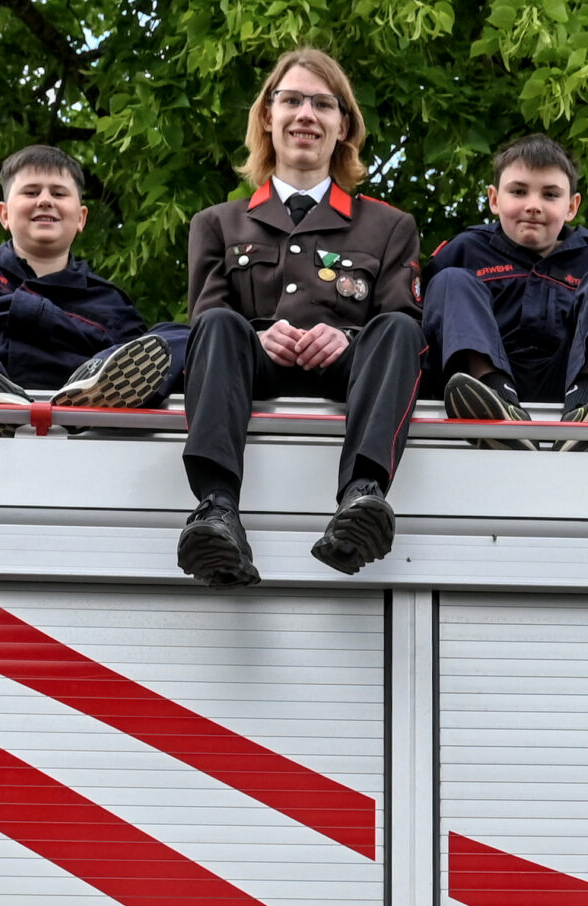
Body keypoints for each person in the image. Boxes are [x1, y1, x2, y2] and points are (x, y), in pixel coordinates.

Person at [173, 48, 424, 587]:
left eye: (322, 103)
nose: (305, 115)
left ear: (343, 125)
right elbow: (210, 314)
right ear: (268, 116)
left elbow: (398, 317)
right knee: (215, 327)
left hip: (348, 368)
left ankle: (363, 497)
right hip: (251, 368)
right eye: (291, 100)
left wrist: (347, 335)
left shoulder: (388, 226)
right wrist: (260, 337)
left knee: (401, 330)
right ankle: (216, 509)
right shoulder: (216, 223)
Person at [0, 144, 180, 421]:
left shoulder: (109, 301)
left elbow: (147, 360)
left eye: (58, 193)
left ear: (81, 218)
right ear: (4, 214)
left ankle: (96, 381)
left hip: (79, 422)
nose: (45, 200)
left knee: (184, 336)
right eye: (31, 192)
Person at [423, 136, 588, 447]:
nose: (533, 205)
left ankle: (587, 404)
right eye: (518, 191)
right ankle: (496, 403)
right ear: (494, 199)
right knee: (451, 281)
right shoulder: (463, 251)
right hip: (479, 384)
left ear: (572, 206)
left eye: (550, 195)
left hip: (567, 379)